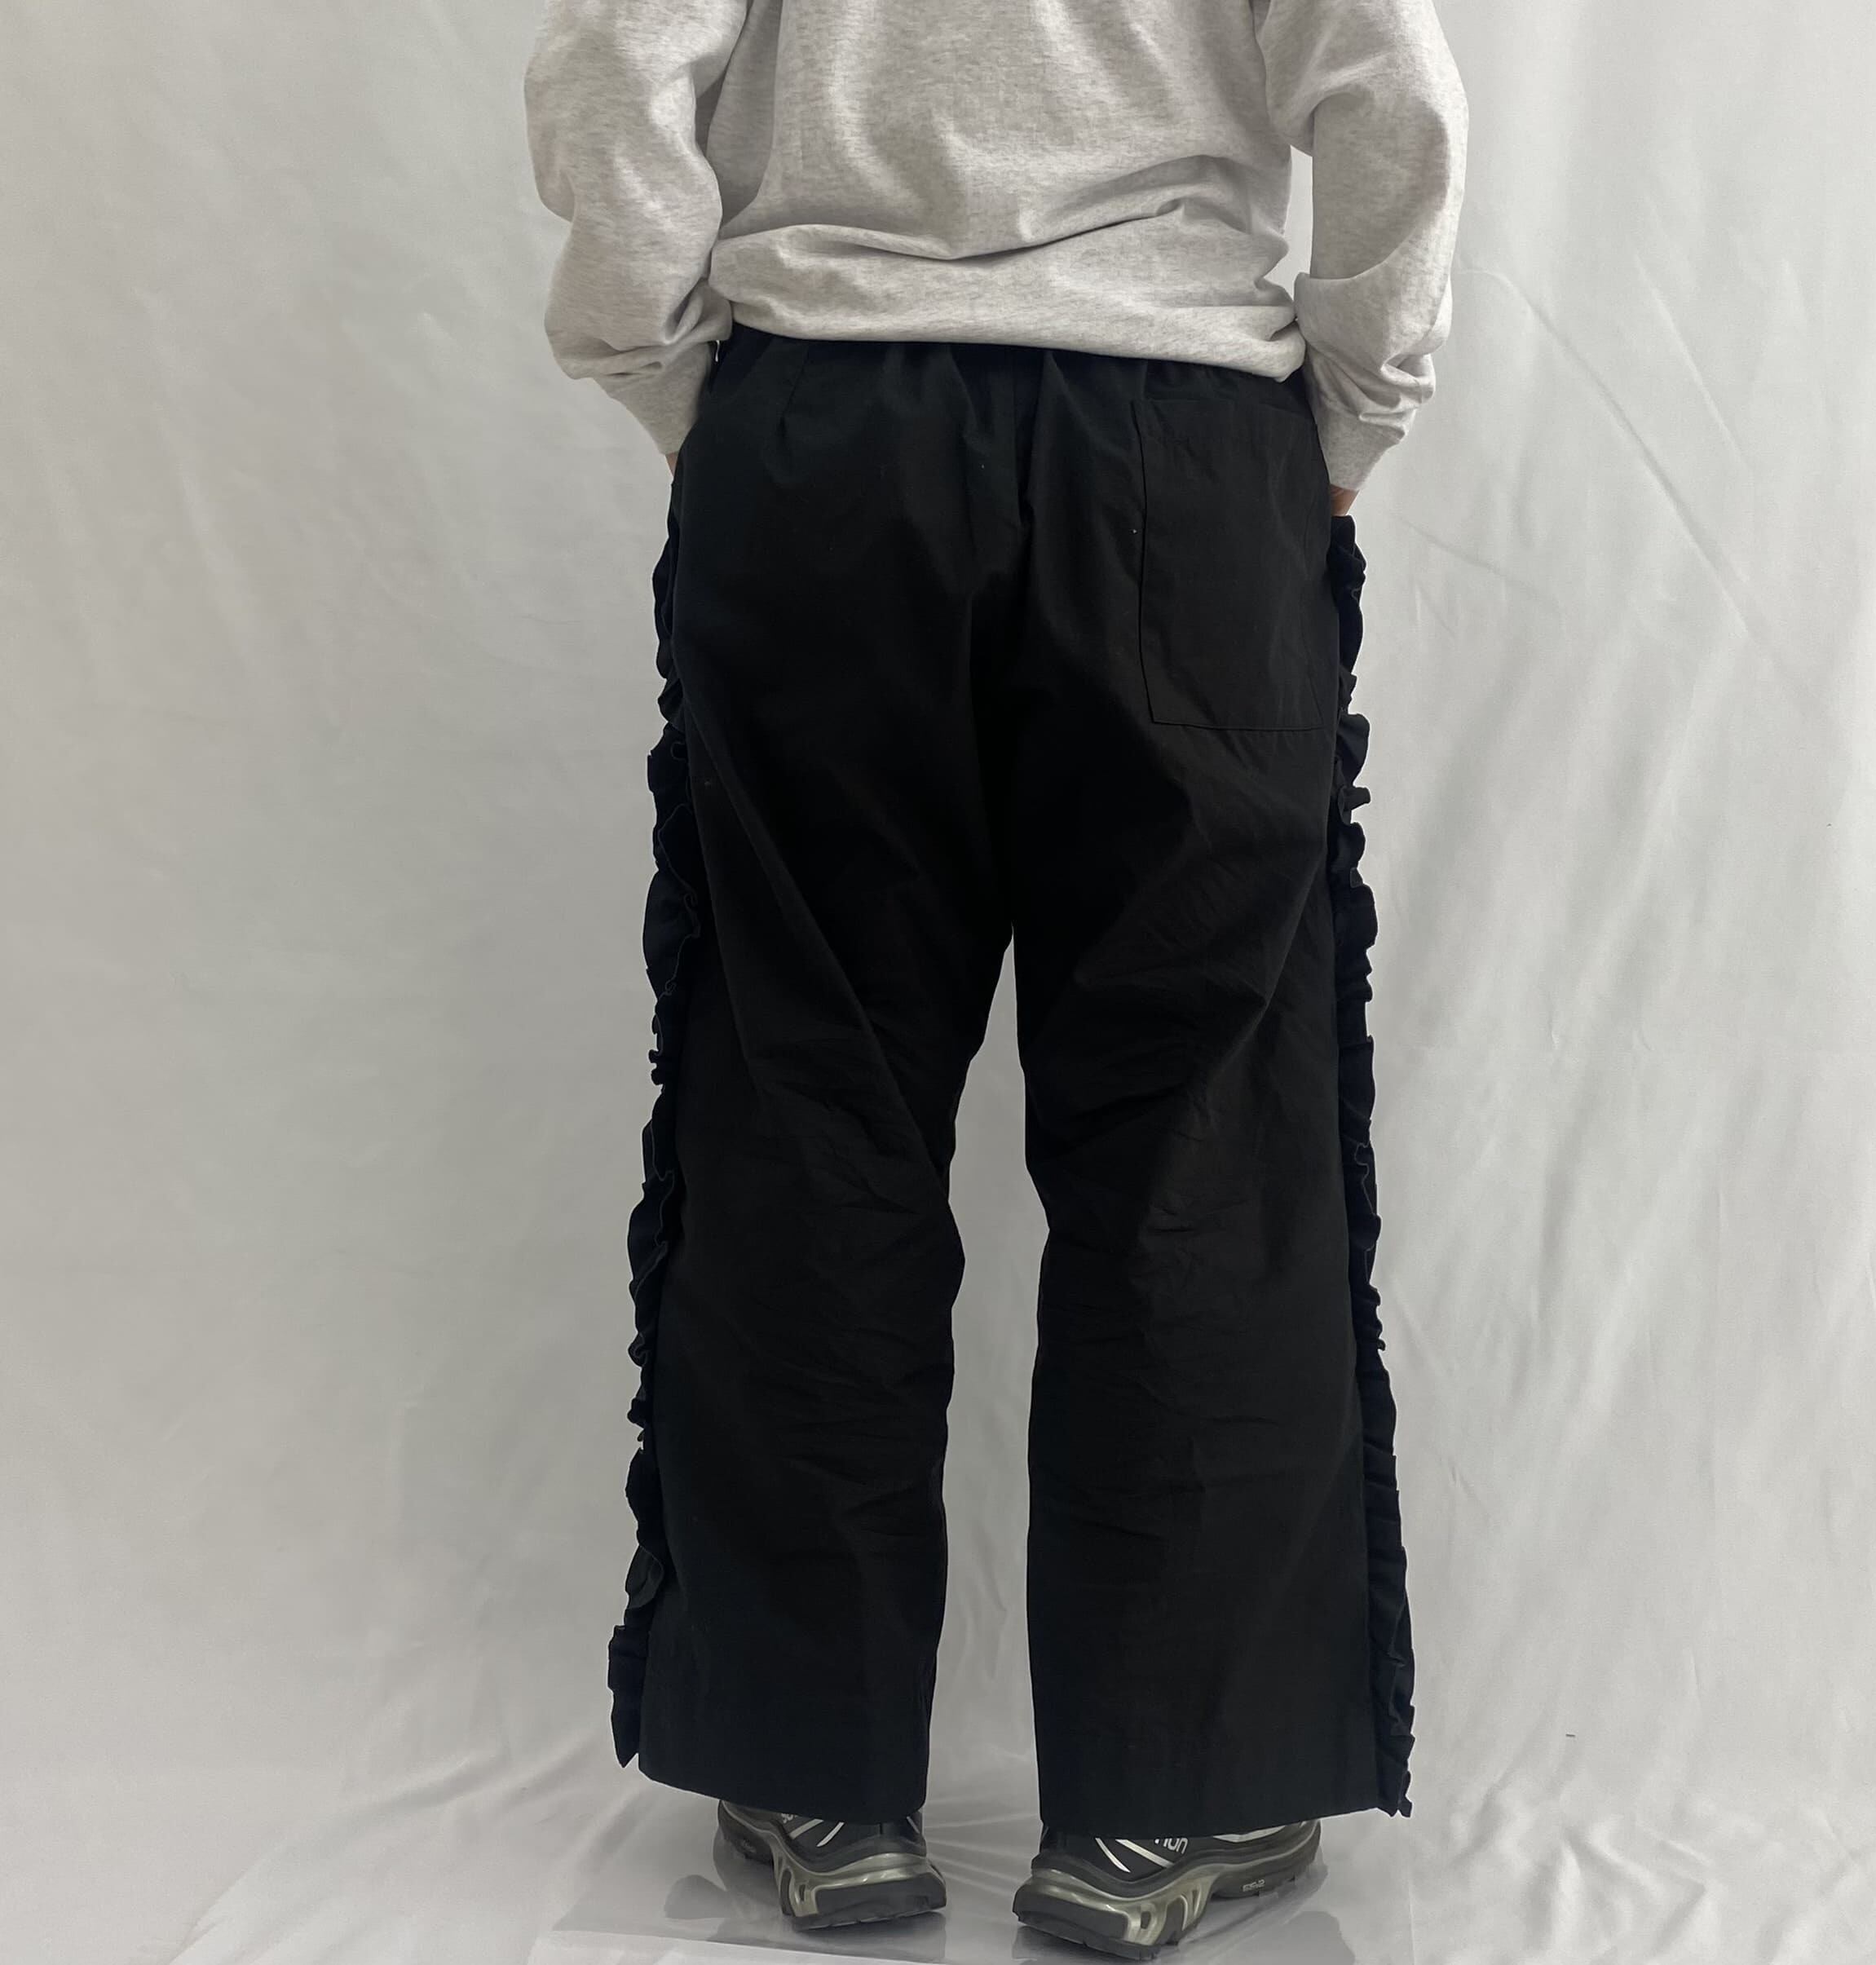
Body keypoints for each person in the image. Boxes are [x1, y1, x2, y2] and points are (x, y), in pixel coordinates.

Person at [524, 0, 1466, 1952]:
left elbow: (616, 54)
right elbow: (1388, 83)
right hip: (1181, 454)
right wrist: (1351, 411)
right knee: (1197, 1123)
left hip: (824, 442)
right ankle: (1160, 1801)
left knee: (806, 1093)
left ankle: (816, 1777)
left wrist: (670, 369)